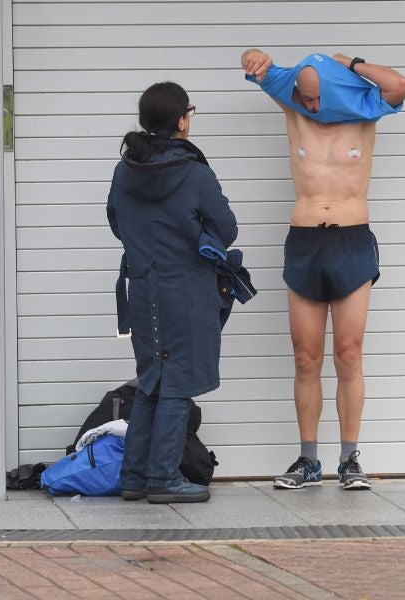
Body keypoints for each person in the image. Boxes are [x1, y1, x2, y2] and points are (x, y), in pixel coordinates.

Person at [241, 49, 405, 490]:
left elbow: (400, 85)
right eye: (305, 96)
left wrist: (351, 64)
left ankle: (350, 458)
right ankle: (308, 459)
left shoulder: (363, 109)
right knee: (305, 357)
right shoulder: (295, 107)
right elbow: (257, 67)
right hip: (305, 241)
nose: (311, 106)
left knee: (349, 354)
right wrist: (254, 56)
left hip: (352, 241)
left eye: (317, 97)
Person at [107, 82, 238, 503]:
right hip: (187, 288)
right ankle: (163, 479)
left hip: (142, 286)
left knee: (151, 382)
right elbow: (228, 229)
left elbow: (116, 221)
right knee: (178, 383)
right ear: (181, 120)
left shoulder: (125, 170)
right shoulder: (195, 173)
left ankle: (135, 477)